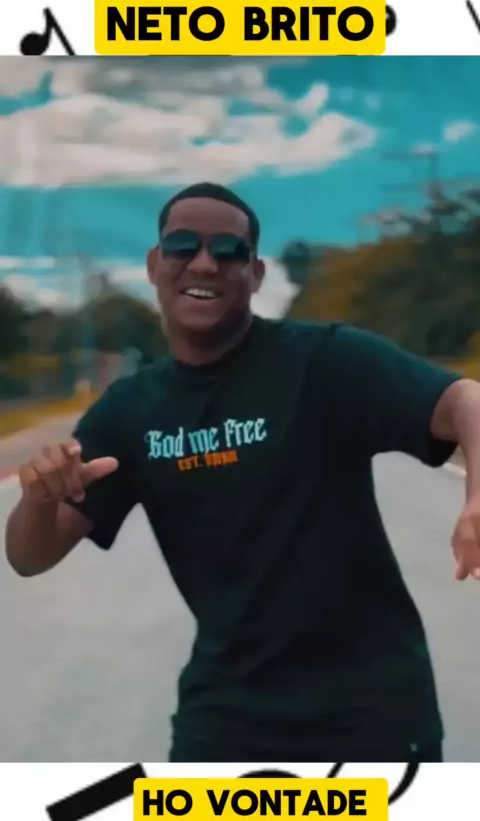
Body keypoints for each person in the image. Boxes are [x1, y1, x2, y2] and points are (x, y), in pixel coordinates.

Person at [6, 182, 480, 764]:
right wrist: (36, 499)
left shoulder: (325, 362)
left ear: (255, 274)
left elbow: (466, 400)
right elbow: (29, 556)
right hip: (224, 722)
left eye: (229, 250)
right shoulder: (128, 412)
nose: (205, 263)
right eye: (183, 245)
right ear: (154, 265)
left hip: (369, 719)